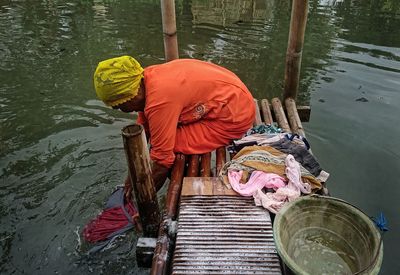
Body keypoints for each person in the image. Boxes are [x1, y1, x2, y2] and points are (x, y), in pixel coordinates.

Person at [94, 56, 255, 190]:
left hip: (233, 117)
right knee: (160, 140)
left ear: (134, 94)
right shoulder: (147, 77)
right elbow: (145, 129)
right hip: (230, 98)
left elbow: (163, 159)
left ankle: (191, 187)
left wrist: (144, 199)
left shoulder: (159, 101)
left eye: (121, 105)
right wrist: (131, 179)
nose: (121, 110)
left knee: (169, 146)